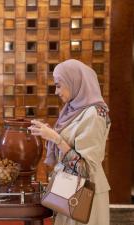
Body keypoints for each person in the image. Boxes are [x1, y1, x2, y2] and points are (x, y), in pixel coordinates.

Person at [29, 59, 111, 225]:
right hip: (68, 190)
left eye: (59, 85)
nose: (56, 91)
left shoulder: (94, 115)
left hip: (85, 196)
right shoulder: (73, 110)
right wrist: (50, 134)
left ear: (75, 82)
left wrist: (55, 138)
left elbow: (85, 168)